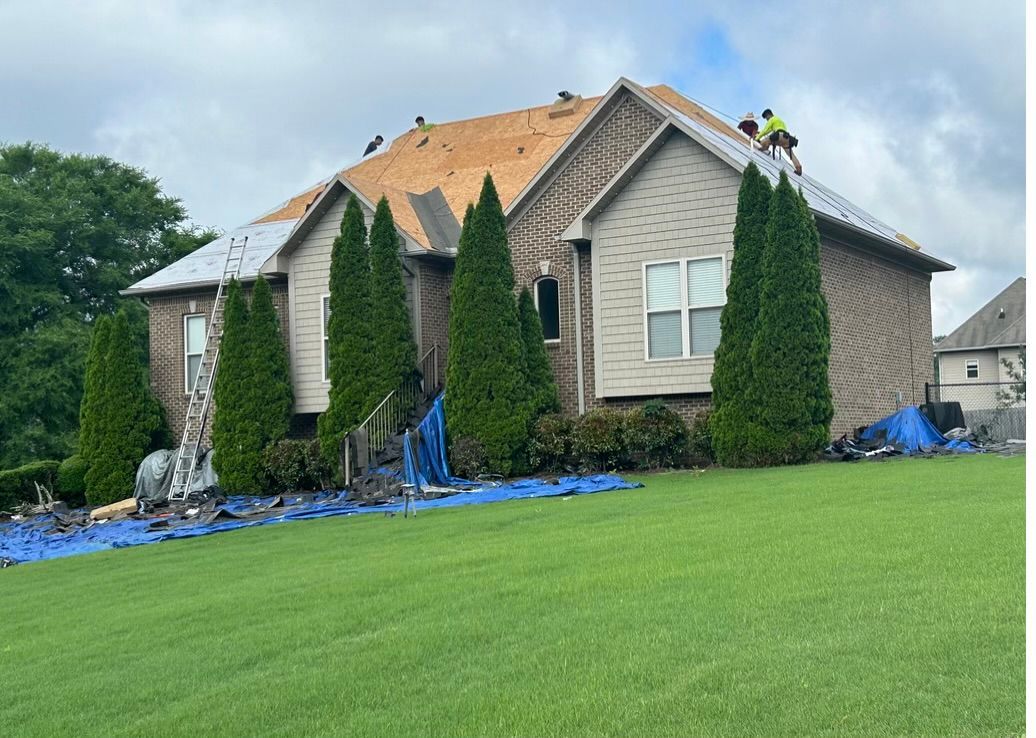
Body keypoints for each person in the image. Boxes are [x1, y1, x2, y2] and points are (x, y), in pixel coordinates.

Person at [755, 109, 802, 175]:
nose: (767, 119)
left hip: (778, 137)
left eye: (766, 118)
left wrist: (757, 138)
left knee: (763, 142)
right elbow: (769, 131)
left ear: (768, 115)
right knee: (791, 154)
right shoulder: (780, 121)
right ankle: (798, 168)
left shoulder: (772, 119)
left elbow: (765, 131)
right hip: (786, 138)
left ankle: (765, 148)